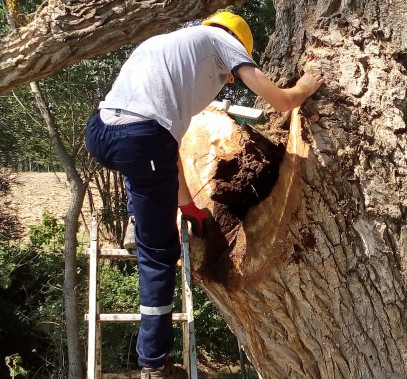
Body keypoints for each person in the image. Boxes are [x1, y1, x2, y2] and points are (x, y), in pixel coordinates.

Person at [84, 11, 323, 379]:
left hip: (102, 132)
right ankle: (153, 363)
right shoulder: (221, 41)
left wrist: (189, 207)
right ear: (237, 43)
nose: (228, 80)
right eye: (230, 72)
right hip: (141, 139)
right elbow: (279, 100)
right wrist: (304, 88)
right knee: (158, 255)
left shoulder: (166, 47)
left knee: (145, 174)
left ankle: (139, 219)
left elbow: (167, 150)